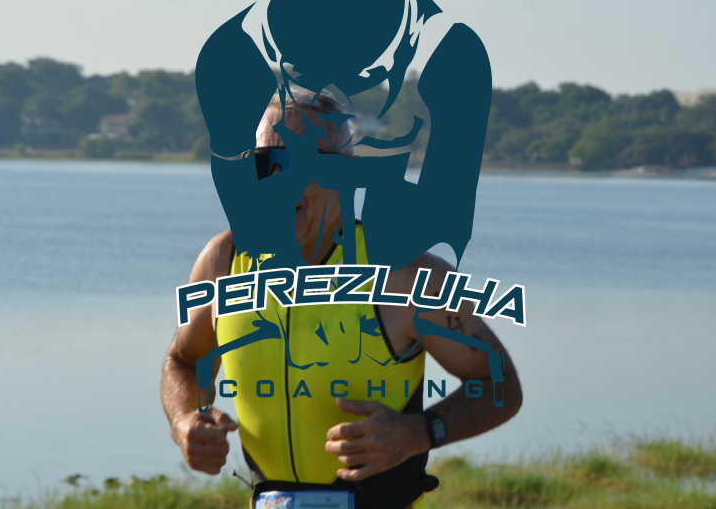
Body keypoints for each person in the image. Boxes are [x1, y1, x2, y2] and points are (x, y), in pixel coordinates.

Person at [161, 88, 522, 509]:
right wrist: (184, 420)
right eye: (264, 162)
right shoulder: (224, 260)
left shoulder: (406, 276)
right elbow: (182, 360)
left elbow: (499, 383)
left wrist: (419, 433)